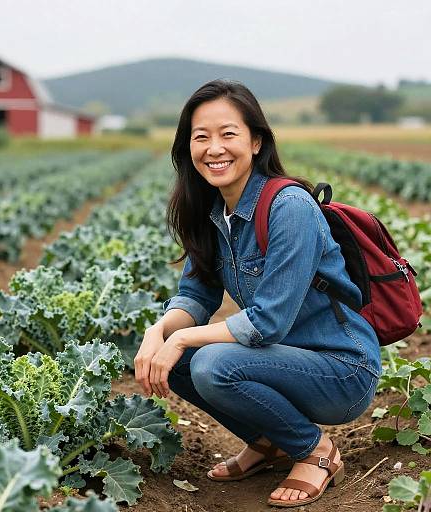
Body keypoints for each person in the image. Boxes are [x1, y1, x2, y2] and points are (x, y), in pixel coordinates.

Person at [133, 80, 381, 508]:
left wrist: (183, 338)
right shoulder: (213, 212)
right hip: (281, 360)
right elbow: (194, 296)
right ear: (186, 148)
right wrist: (159, 333)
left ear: (256, 141)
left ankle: (316, 452)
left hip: (341, 368)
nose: (214, 148)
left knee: (209, 362)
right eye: (201, 137)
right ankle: (270, 444)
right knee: (172, 360)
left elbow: (267, 322)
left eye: (228, 134)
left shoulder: (289, 208)